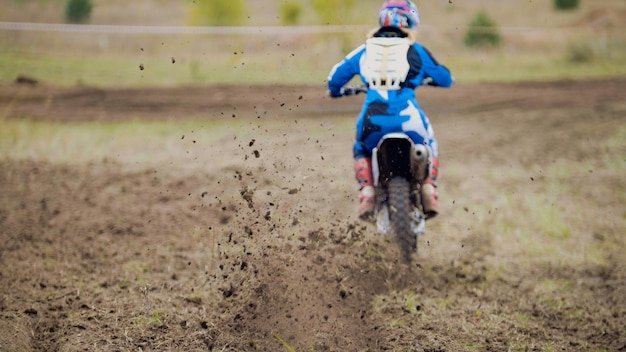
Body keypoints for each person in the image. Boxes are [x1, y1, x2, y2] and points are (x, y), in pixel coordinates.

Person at [327, 0, 453, 221]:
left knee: (361, 146)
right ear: (409, 20)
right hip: (409, 120)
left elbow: (334, 79)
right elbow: (445, 79)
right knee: (429, 140)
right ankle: (428, 188)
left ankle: (367, 192)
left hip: (372, 121)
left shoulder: (364, 50)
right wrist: (427, 79)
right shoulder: (416, 50)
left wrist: (338, 92)